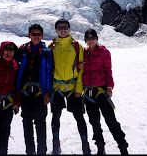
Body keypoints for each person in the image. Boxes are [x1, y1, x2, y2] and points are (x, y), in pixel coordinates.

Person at [81, 29, 128, 155]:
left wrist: (109, 87)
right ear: (85, 40)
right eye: (88, 38)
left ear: (97, 39)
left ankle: (122, 146)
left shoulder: (104, 52)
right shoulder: (83, 53)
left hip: (101, 91)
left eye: (93, 38)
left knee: (111, 120)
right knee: (94, 122)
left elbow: (108, 70)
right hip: (88, 93)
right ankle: (100, 147)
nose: (91, 40)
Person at [10, 24, 54, 154]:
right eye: (33, 34)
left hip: (40, 94)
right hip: (25, 94)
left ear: (42, 36)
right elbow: (10, 61)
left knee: (40, 125)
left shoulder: (47, 53)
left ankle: (41, 152)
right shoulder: (22, 51)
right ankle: (30, 151)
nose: (36, 36)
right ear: (29, 35)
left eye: (38, 34)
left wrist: (48, 92)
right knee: (27, 124)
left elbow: (50, 73)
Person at [48, 19, 89, 154]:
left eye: (65, 27)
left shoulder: (77, 46)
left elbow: (81, 69)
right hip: (57, 88)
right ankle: (55, 146)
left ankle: (85, 146)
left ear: (69, 29)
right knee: (55, 117)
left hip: (73, 88)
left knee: (79, 117)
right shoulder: (52, 46)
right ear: (56, 30)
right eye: (60, 28)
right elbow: (48, 68)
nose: (63, 30)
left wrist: (79, 88)